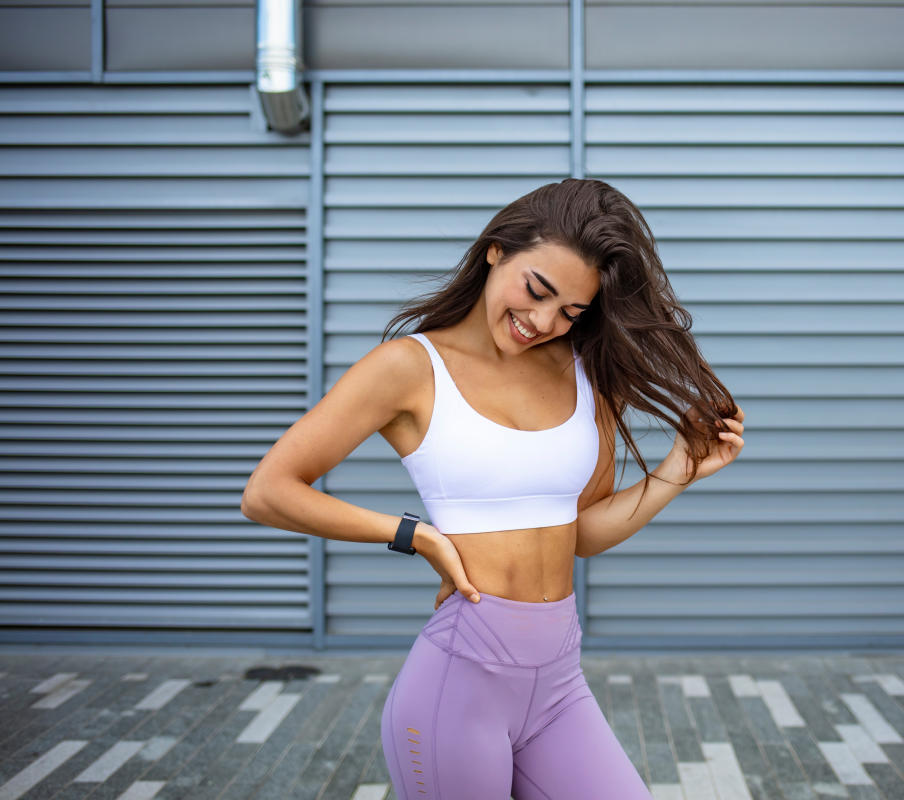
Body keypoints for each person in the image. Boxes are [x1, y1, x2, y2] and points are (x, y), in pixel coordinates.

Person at [240, 178, 745, 799]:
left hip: (559, 685)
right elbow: (267, 491)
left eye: (571, 312)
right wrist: (415, 536)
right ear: (496, 250)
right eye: (537, 290)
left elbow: (582, 532)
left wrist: (678, 470)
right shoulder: (410, 368)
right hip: (458, 687)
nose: (543, 321)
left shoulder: (589, 377)